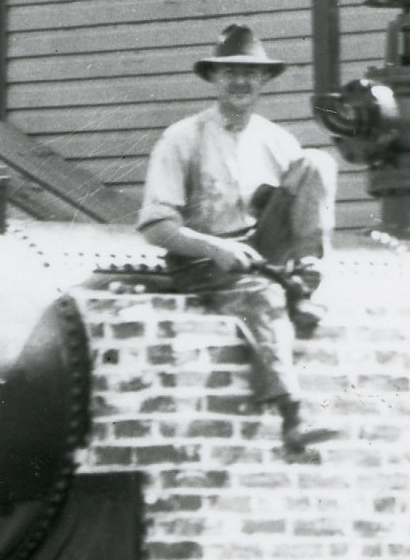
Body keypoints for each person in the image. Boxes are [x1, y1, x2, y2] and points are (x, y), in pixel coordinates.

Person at [141, 25, 333, 424]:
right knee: (262, 295)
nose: (241, 81)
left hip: (260, 254)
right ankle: (293, 415)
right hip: (202, 262)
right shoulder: (182, 138)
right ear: (214, 77)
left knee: (317, 162)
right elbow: (156, 226)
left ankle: (306, 278)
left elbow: (302, 203)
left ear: (264, 79)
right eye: (230, 72)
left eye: (250, 72)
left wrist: (305, 258)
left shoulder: (277, 141)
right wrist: (216, 248)